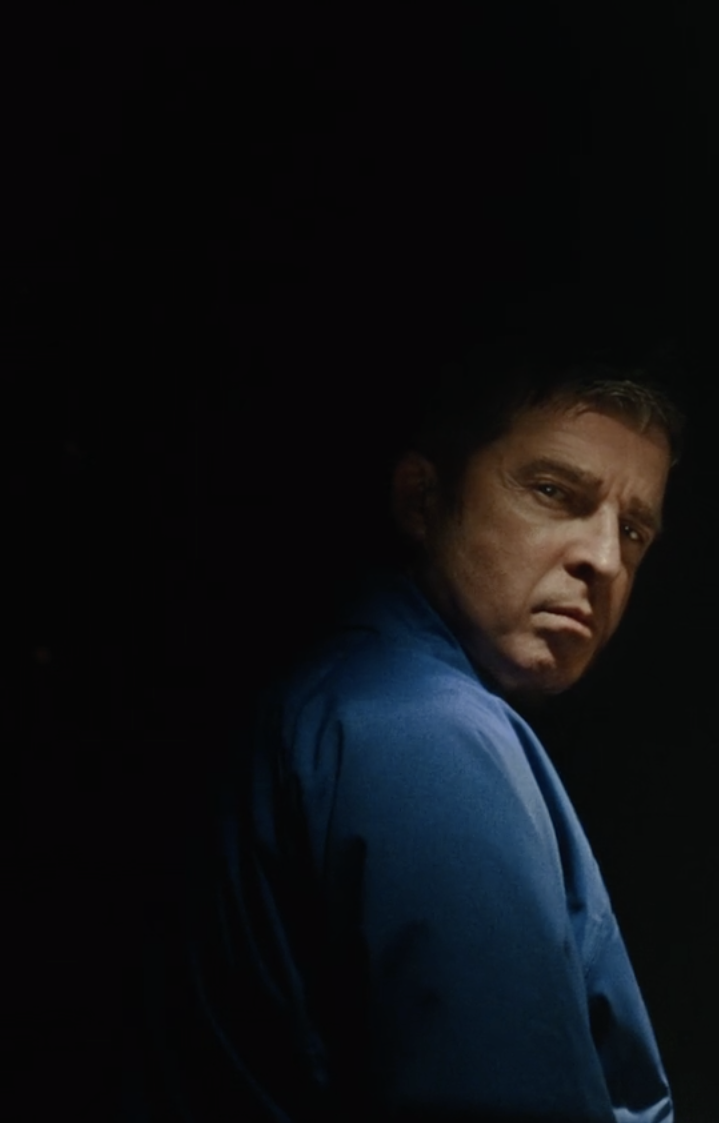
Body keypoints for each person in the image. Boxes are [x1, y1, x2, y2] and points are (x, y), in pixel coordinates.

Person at [134, 361, 685, 1122]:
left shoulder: (352, 695)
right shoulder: (427, 733)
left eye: (632, 529)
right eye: (554, 492)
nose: (605, 558)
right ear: (421, 498)